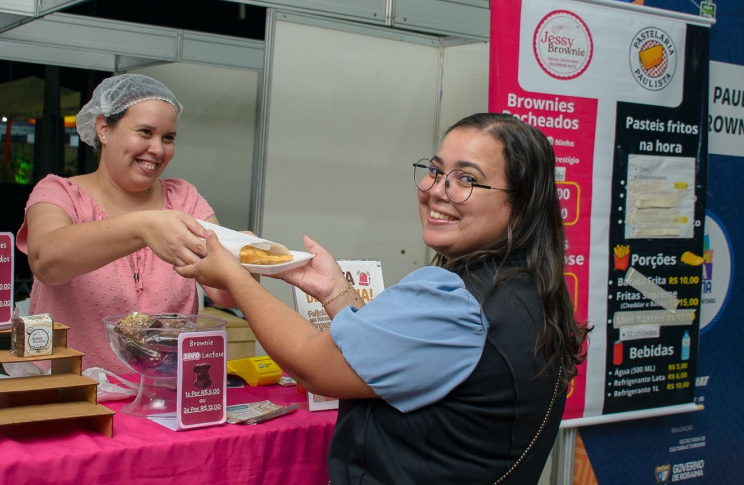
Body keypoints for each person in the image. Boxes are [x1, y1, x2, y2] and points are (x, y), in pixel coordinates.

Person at [175, 112, 589, 484]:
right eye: (436, 170)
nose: (438, 191)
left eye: (467, 179)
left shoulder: (455, 301)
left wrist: (237, 279)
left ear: (521, 205)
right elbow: (391, 355)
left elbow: (312, 367)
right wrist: (333, 290)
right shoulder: (529, 288)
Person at [17, 73, 235, 373]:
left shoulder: (183, 199)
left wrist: (245, 259)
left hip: (163, 397)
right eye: (145, 132)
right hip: (72, 398)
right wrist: (142, 227)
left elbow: (225, 293)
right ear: (104, 129)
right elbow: (46, 262)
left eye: (168, 138)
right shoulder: (59, 193)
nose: (158, 149)